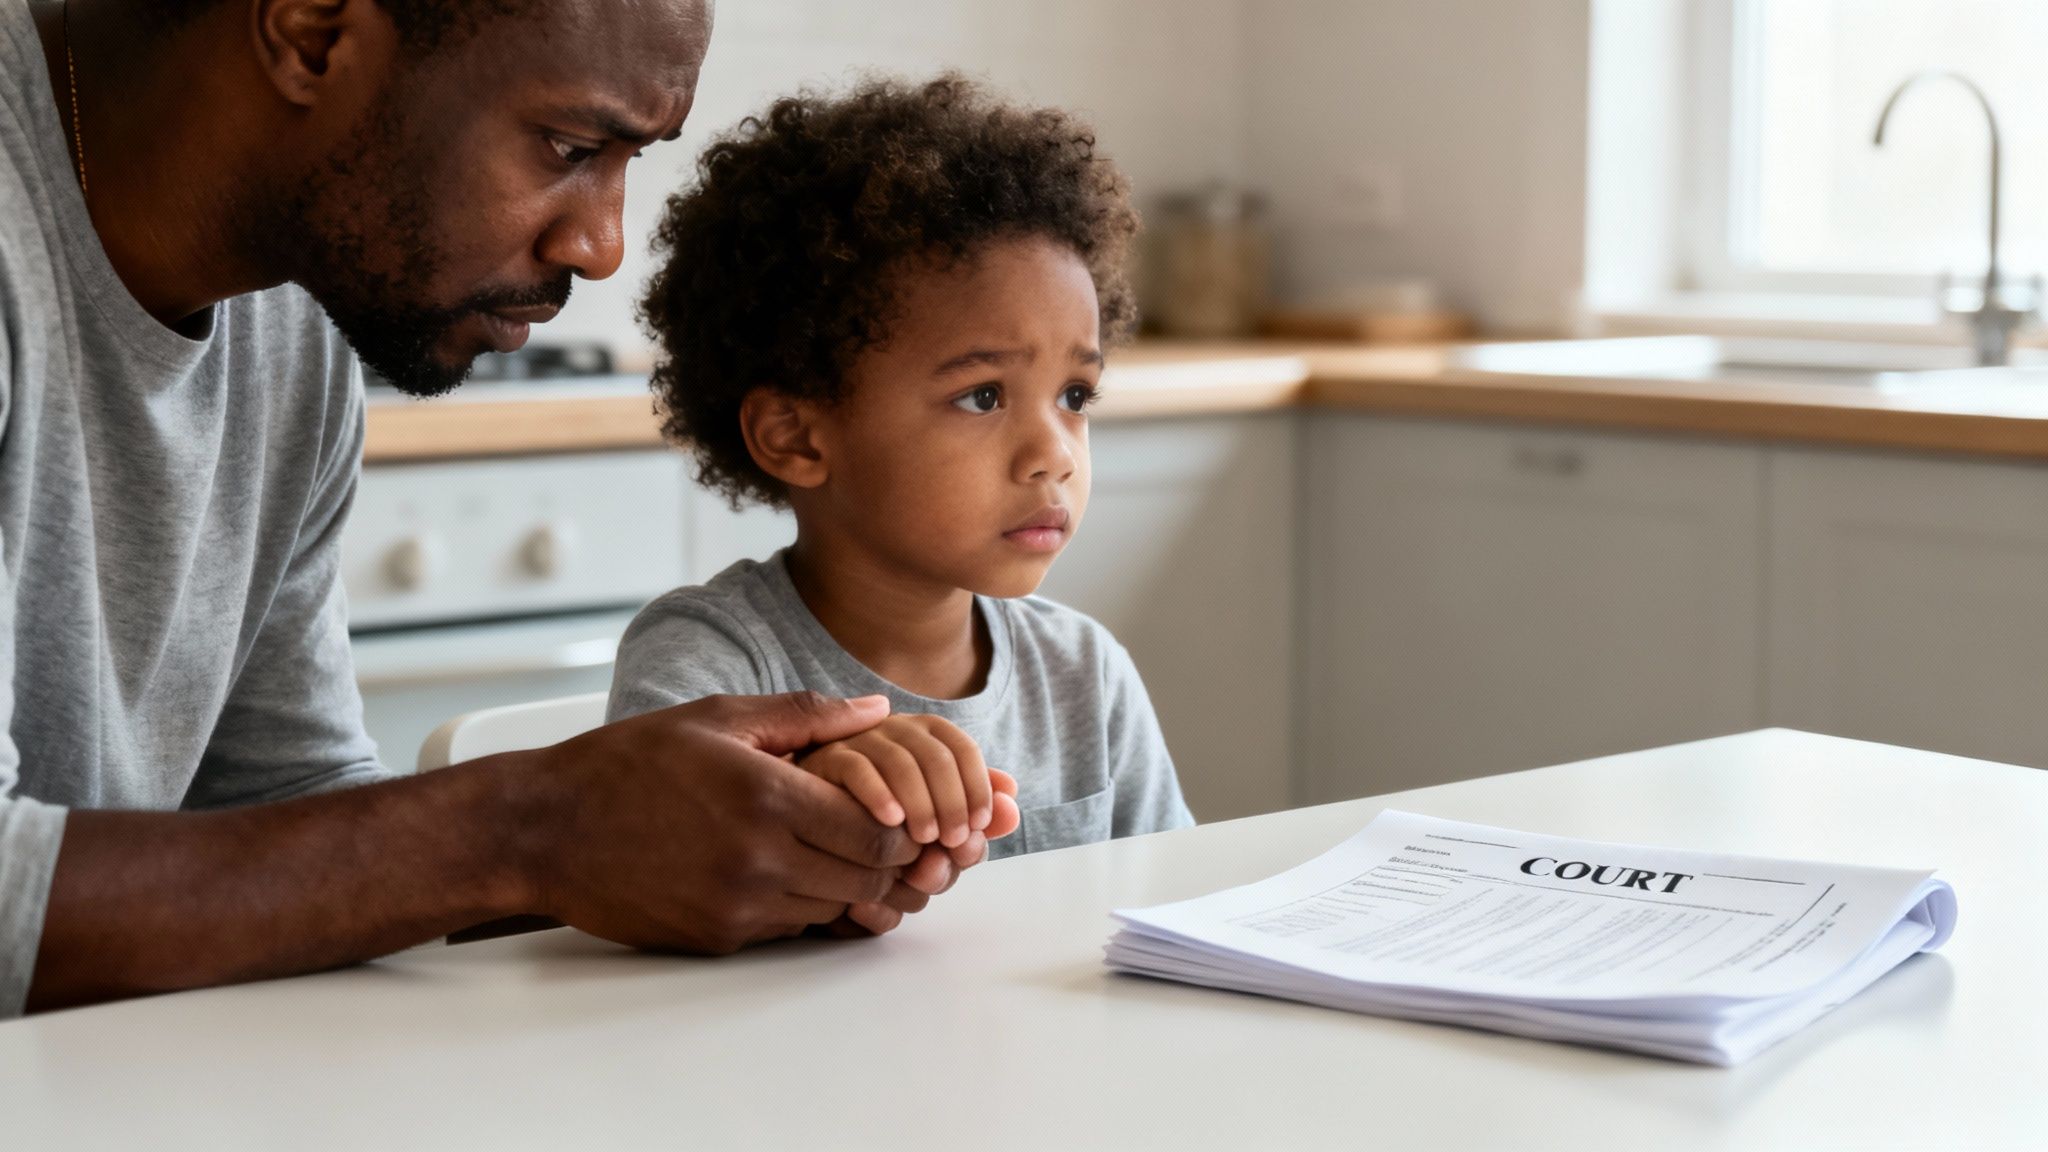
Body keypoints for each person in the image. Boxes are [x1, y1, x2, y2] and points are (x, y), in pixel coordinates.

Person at [0, 0, 983, 1019]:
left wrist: (744, 852)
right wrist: (529, 832)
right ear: (310, 32)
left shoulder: (287, 321)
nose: (602, 245)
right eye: (567, 146)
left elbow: (287, 810)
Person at [610, 75, 1195, 859]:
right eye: (984, 396)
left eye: (1075, 395)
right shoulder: (712, 662)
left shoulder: (1086, 675)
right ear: (797, 437)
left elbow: (1167, 901)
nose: (1054, 453)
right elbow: (635, 875)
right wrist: (807, 792)